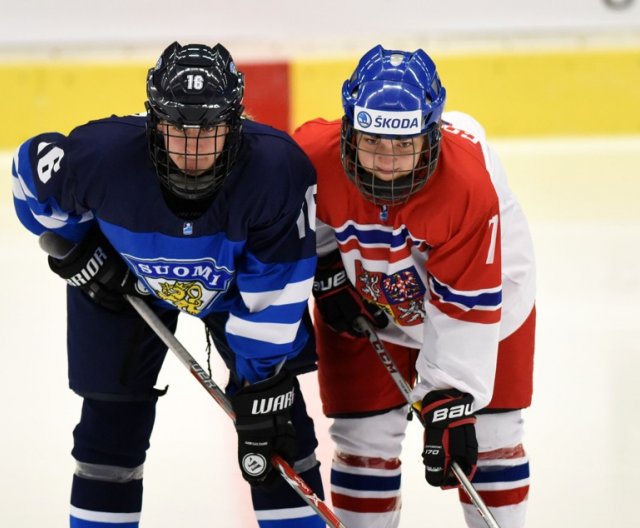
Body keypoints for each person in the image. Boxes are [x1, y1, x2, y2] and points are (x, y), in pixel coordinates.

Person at [12, 42, 326, 528]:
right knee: (109, 430)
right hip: (123, 282)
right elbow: (28, 176)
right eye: (178, 128)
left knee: (279, 428)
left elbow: (274, 290)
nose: (193, 148)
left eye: (210, 130)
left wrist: (262, 384)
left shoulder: (274, 172)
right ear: (153, 122)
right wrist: (80, 250)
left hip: (235, 292)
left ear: (236, 125)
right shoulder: (103, 156)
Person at [293, 45, 536, 528]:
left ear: (431, 134)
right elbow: (309, 211)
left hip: (488, 305)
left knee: (488, 436)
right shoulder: (312, 156)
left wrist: (451, 394)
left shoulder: (466, 186)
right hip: (372, 298)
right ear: (349, 127)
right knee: (363, 441)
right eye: (373, 142)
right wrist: (326, 266)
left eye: (403, 145)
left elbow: (468, 301)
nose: (387, 160)